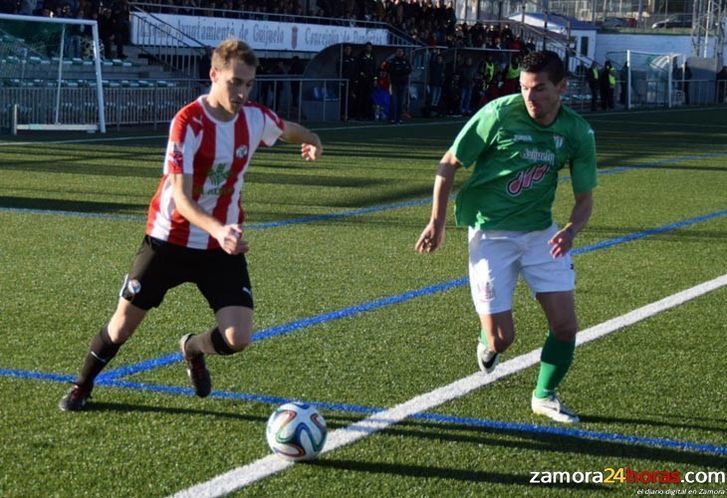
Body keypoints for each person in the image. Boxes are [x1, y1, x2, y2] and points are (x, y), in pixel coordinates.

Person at [58, 38, 323, 412]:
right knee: (121, 327)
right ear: (214, 75)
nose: (242, 92)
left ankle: (193, 347)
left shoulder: (254, 118)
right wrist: (218, 229)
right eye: (234, 82)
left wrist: (313, 139)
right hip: (169, 240)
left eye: (248, 84)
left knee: (238, 337)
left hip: (219, 248)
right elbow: (181, 198)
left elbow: (286, 128)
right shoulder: (188, 122)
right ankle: (81, 384)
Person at [415, 50, 597, 424]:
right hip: (491, 235)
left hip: (541, 235)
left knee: (565, 326)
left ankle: (544, 396)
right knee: (502, 339)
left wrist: (571, 229)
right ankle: (488, 344)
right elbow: (448, 163)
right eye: (525, 88)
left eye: (540, 89)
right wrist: (437, 222)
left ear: (562, 87)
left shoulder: (577, 132)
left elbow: (584, 200)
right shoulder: (498, 114)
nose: (531, 97)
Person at [387, 47, 412, 124]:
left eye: (401, 51)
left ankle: (399, 118)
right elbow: (392, 71)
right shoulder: (392, 61)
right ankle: (392, 118)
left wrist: (400, 70)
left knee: (401, 102)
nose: (400, 53)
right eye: (398, 51)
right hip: (394, 83)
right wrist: (401, 71)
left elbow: (409, 70)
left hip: (403, 84)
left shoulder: (405, 61)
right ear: (396, 52)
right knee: (393, 101)